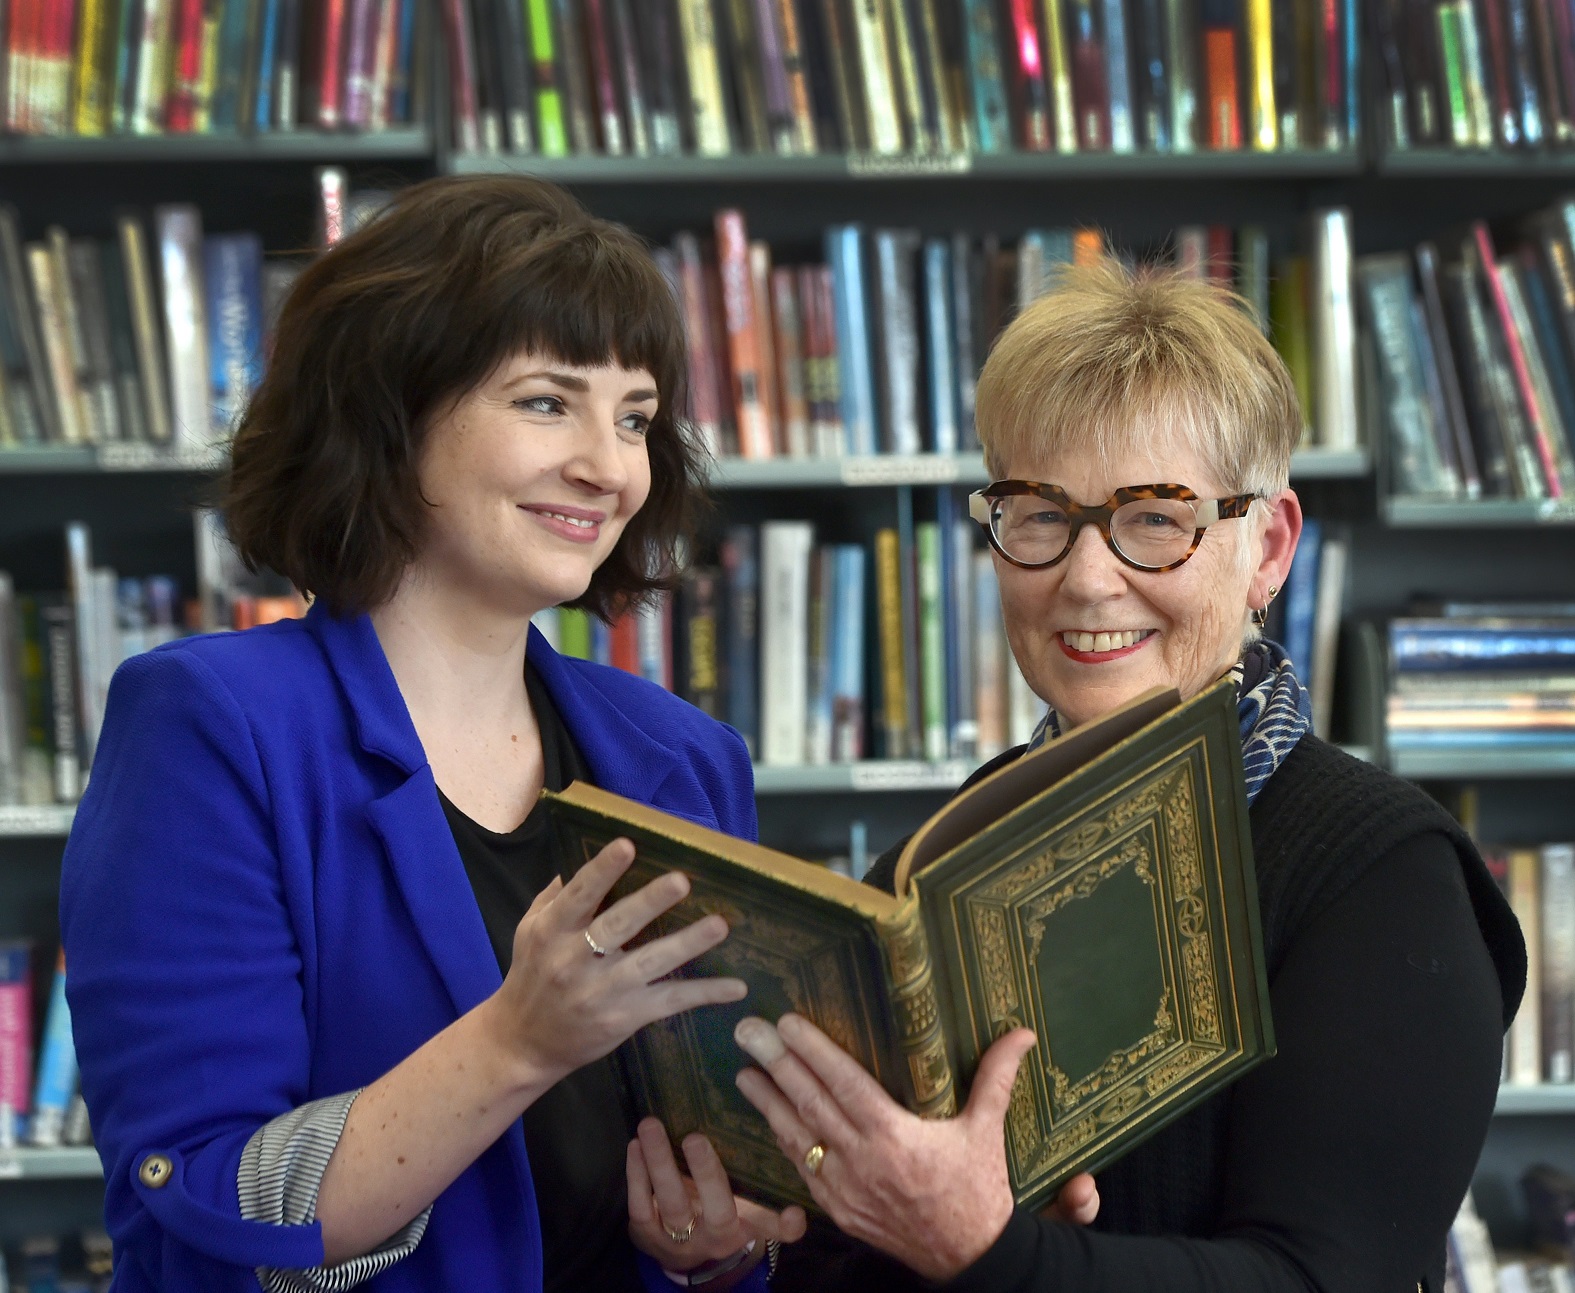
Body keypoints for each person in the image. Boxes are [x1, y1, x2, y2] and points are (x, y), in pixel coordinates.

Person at [59, 175, 804, 1293]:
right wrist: (517, 1042)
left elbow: (709, 1185)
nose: (609, 467)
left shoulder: (687, 758)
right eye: (548, 402)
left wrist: (710, 1253)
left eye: (637, 416)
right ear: (390, 413)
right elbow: (208, 1204)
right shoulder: (213, 728)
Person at [735, 258, 1527, 1293]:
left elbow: (1322, 1279)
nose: (1086, 575)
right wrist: (743, 1248)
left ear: (1270, 546)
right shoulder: (936, 868)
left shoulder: (1381, 878)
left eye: (1156, 518)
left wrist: (987, 1250)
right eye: (1040, 514)